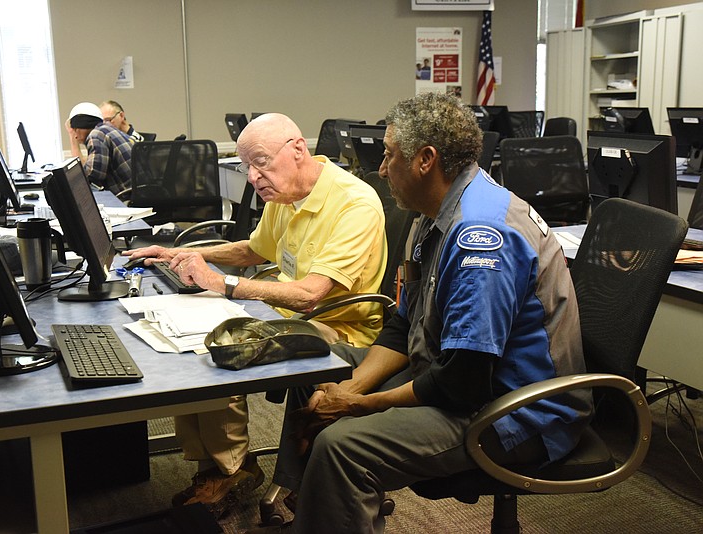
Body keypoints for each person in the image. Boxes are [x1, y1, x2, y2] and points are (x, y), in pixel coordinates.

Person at [251, 92, 593, 533]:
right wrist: (348, 389)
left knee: (343, 446)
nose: (380, 167)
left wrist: (358, 404)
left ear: (425, 160)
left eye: (390, 155)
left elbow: (462, 380)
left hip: (516, 410)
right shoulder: (431, 213)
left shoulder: (481, 236)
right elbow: (403, 324)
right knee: (314, 365)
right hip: (455, 373)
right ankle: (316, 507)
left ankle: (329, 500)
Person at [123, 112, 387, 518]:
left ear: (298, 150)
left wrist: (221, 284)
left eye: (260, 161)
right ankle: (217, 464)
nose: (251, 176)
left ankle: (234, 469)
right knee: (193, 330)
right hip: (282, 309)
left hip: (339, 328)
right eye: (247, 165)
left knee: (219, 346)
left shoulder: (354, 203)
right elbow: (251, 251)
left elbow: (310, 296)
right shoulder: (286, 196)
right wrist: (183, 255)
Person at [65, 102, 133, 194]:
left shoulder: (96, 135)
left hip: (127, 199)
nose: (75, 136)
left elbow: (93, 176)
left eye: (75, 130)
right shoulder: (107, 130)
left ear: (83, 126)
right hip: (138, 194)